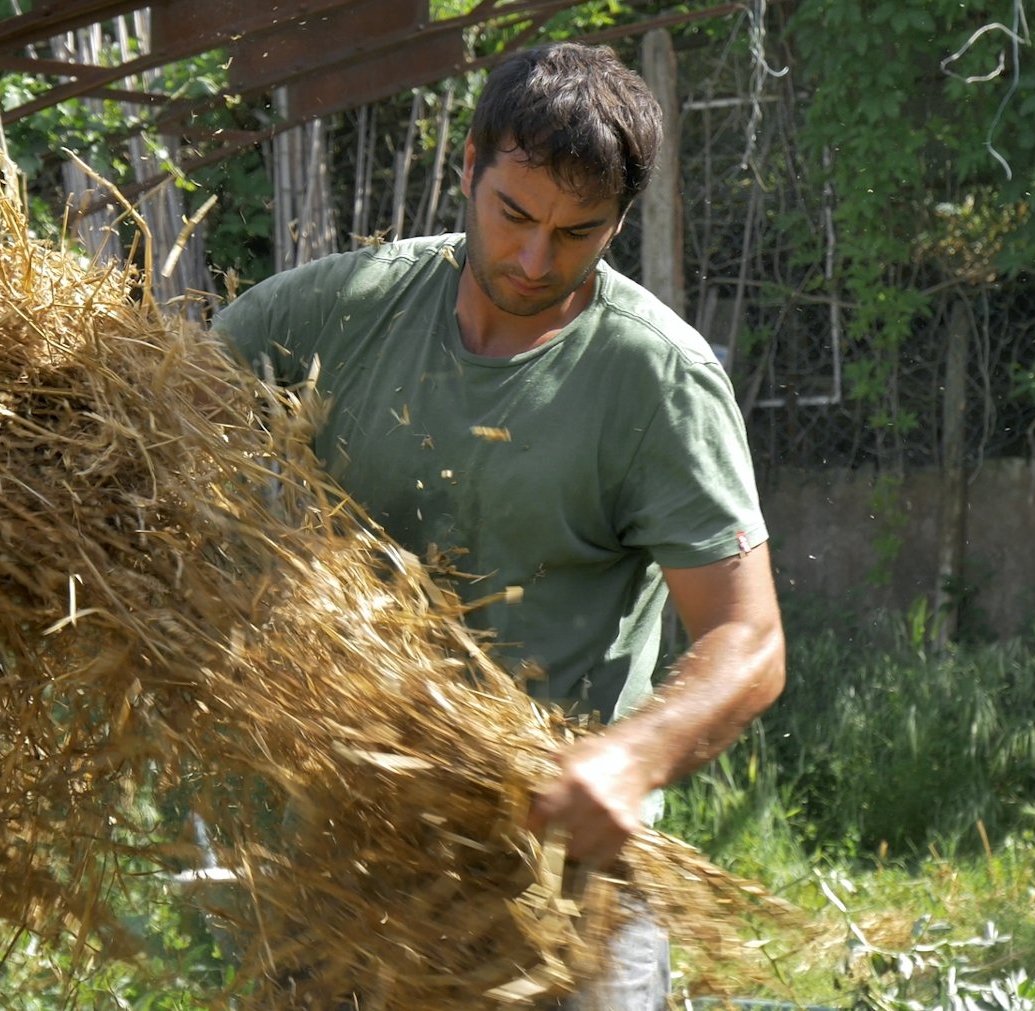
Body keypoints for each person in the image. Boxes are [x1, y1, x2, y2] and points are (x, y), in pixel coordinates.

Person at [211, 41, 785, 1009]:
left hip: (553, 878)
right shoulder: (343, 310)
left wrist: (634, 754)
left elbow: (750, 640)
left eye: (576, 233)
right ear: (469, 167)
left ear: (617, 222)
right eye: (514, 215)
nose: (533, 259)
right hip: (340, 857)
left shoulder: (656, 382)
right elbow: (149, 398)